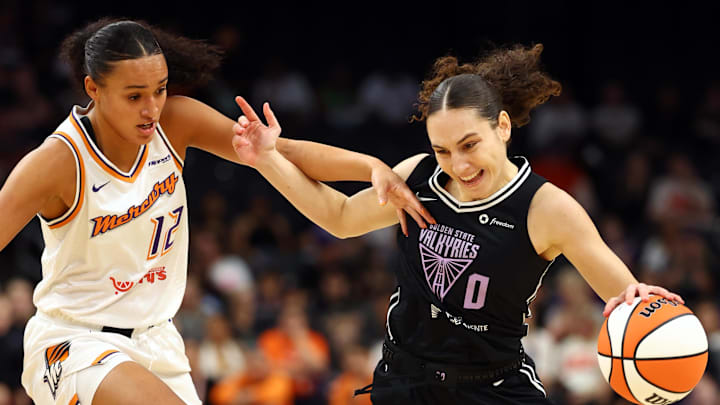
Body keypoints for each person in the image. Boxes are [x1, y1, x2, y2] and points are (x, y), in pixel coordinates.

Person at [0, 18, 432, 405]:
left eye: (160, 90)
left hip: (158, 341)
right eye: (134, 96)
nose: (151, 108)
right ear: (93, 88)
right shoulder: (56, 162)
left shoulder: (175, 122)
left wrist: (371, 166)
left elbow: (282, 151)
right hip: (75, 341)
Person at [231, 43, 684, 404]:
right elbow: (341, 217)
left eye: (469, 145)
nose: (458, 165)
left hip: (493, 387)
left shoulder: (546, 207)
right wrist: (268, 159)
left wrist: (638, 300)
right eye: (443, 150)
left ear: (503, 127)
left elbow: (623, 295)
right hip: (405, 382)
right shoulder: (419, 177)